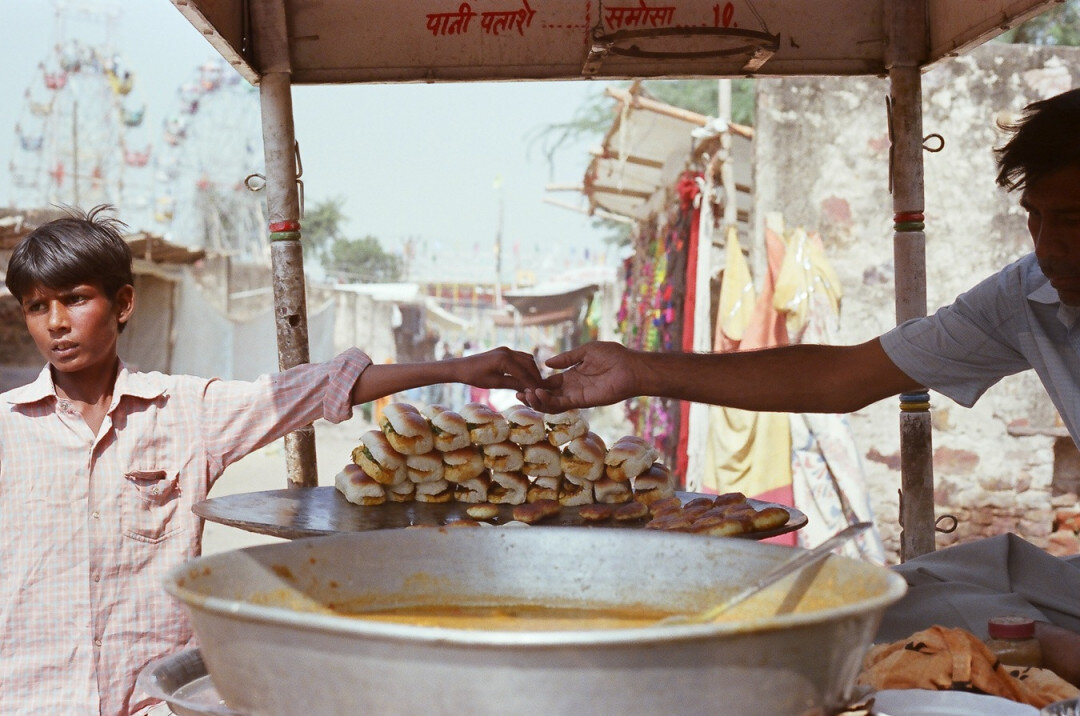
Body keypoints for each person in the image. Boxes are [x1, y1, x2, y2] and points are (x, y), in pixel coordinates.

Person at [520, 87, 1080, 686]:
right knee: (891, 598)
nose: (1047, 248)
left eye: (1072, 221)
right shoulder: (1027, 297)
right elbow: (841, 378)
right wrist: (640, 371)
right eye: (1035, 217)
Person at [0, 206, 544, 715]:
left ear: (122, 303)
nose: (56, 323)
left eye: (74, 298)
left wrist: (456, 368)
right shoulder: (7, 427)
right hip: (29, 696)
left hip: (152, 701)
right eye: (37, 306)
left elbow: (305, 390)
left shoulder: (187, 410)